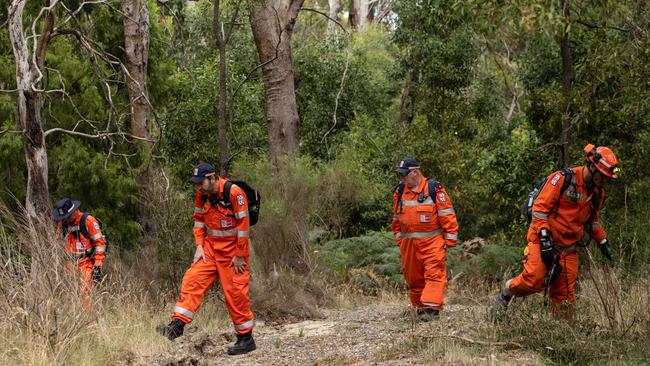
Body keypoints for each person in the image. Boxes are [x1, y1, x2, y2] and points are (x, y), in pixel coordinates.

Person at [490, 144, 620, 319]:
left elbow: (593, 220)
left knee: (565, 297)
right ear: (592, 166)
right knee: (533, 280)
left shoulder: (598, 193)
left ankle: (561, 333)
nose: (604, 181)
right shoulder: (563, 179)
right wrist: (544, 236)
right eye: (603, 176)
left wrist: (603, 241)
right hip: (544, 238)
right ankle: (507, 292)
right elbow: (540, 208)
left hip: (569, 248)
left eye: (607, 178)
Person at [157, 163, 256, 355]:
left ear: (212, 178)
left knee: (236, 294)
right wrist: (199, 246)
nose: (197, 187)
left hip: (233, 253)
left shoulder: (235, 194)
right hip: (210, 249)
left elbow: (244, 228)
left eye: (200, 182)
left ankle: (246, 339)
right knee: (193, 279)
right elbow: (198, 220)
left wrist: (239, 255)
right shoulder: (202, 194)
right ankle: (176, 326)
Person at [391, 157, 459, 321]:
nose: (402, 178)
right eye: (400, 175)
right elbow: (396, 220)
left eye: (404, 174)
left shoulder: (433, 190)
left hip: (432, 243)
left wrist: (449, 241)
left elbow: (448, 216)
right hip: (409, 246)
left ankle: (431, 310)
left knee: (434, 275)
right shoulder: (399, 192)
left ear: (415, 172)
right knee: (414, 280)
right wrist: (400, 240)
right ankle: (420, 309)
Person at [54, 198, 107, 293]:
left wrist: (97, 265)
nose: (66, 219)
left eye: (68, 216)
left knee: (85, 293)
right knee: (70, 293)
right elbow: (58, 242)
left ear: (74, 211)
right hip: (69, 264)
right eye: (64, 217)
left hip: (86, 263)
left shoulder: (88, 221)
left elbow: (100, 244)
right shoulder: (62, 223)